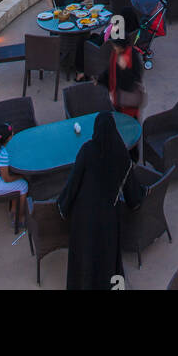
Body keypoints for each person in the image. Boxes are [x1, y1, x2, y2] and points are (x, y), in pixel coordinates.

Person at [57, 111, 129, 290]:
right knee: (106, 255)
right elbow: (131, 186)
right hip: (108, 217)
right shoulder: (120, 152)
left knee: (85, 256)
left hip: (84, 215)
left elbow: (73, 182)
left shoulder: (87, 150)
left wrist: (63, 205)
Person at [98, 39, 146, 126]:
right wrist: (99, 79)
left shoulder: (132, 55)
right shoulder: (115, 53)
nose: (114, 47)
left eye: (115, 45)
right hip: (116, 97)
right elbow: (109, 70)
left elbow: (136, 77)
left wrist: (125, 70)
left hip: (128, 99)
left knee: (129, 122)